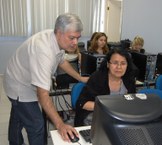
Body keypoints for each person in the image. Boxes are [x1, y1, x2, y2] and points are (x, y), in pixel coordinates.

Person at [3, 13, 89, 145]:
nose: (75, 43)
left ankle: (13, 141)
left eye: (78, 38)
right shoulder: (43, 51)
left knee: (18, 115)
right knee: (37, 125)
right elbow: (43, 95)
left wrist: (80, 78)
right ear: (59, 33)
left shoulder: (54, 38)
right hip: (18, 85)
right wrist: (60, 125)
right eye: (72, 38)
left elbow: (61, 61)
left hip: (23, 76)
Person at [74, 48, 136, 127]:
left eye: (123, 63)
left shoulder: (129, 79)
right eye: (115, 63)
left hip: (120, 119)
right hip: (95, 119)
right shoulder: (97, 78)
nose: (119, 67)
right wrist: (110, 107)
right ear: (108, 64)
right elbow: (82, 103)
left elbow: (132, 102)